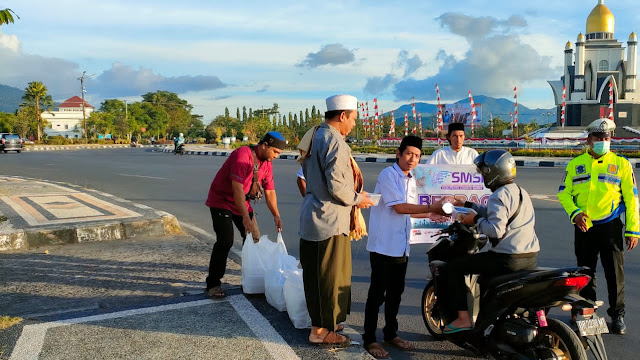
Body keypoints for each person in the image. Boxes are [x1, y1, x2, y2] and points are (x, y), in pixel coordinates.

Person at [433, 149, 539, 333]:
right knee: (485, 278)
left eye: (484, 172)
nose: (482, 176)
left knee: (453, 268)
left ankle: (463, 319)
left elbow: (496, 230)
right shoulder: (519, 191)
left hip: (507, 258)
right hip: (529, 257)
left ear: (493, 173)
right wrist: (467, 205)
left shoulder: (498, 195)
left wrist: (474, 220)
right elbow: (496, 213)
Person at [299, 94, 374, 345]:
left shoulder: (315, 134)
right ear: (342, 116)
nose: (353, 124)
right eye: (353, 119)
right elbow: (338, 186)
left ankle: (326, 323)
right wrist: (358, 199)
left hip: (314, 215)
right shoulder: (334, 141)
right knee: (328, 277)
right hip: (329, 219)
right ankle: (320, 332)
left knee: (318, 275)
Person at [363, 136, 446, 358]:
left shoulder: (411, 179)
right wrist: (431, 207)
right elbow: (399, 207)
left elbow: (410, 209)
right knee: (377, 294)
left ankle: (391, 333)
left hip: (401, 246)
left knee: (396, 293)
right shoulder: (388, 175)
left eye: (417, 155)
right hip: (383, 245)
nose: (412, 159)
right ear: (398, 154)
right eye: (409, 153)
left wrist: (431, 214)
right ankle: (369, 339)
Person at [557, 118, 639, 335]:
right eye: (598, 138)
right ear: (589, 140)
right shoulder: (575, 164)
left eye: (606, 138)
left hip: (610, 226)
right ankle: (588, 312)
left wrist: (633, 229)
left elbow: (632, 200)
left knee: (615, 273)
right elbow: (564, 193)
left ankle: (617, 315)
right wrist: (574, 214)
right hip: (584, 226)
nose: (603, 141)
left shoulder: (622, 164)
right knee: (585, 272)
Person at [204, 131, 286, 298]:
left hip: (242, 203)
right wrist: (246, 218)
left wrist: (276, 215)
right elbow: (237, 189)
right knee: (225, 241)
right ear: (265, 145)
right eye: (275, 152)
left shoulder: (267, 163)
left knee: (254, 239)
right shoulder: (242, 155)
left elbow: (270, 191)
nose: (276, 156)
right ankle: (213, 284)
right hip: (222, 201)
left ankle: (252, 279)